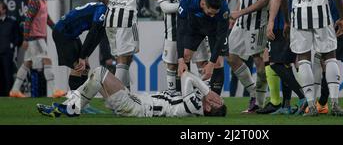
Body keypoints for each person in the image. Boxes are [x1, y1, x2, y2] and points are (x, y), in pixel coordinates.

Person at [37, 68, 226, 118]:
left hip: (135, 108)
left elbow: (186, 77)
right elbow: (193, 78)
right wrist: (206, 90)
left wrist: (206, 91)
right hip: (134, 102)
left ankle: (72, 107)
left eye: (218, 101)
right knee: (95, 76)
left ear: (211, 107)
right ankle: (71, 106)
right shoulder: (197, 101)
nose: (218, 97)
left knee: (100, 73)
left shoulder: (194, 106)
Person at [259, 0, 307, 115]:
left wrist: (271, 22)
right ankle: (286, 105)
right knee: (287, 63)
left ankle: (304, 98)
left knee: (276, 64)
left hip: (283, 21)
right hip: (299, 18)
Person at [227, 0, 272, 113]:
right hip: (242, 21)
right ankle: (254, 93)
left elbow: (265, 0)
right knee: (231, 56)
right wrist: (236, 15)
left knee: (259, 63)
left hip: (257, 22)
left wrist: (241, 12)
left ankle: (259, 102)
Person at [155, 0, 209, 93]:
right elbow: (165, 7)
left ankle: (203, 98)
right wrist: (188, 5)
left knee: (202, 63)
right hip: (173, 29)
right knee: (172, 65)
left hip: (197, 29)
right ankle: (172, 97)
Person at [9, 0, 65, 98]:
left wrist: (57, 29)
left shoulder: (41, 1)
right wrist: (25, 38)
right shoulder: (35, 1)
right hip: (36, 38)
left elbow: (47, 19)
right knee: (47, 60)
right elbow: (28, 19)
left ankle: (14, 90)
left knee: (27, 63)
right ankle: (54, 90)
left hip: (36, 38)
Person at [176, 0, 230, 96]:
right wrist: (180, 60)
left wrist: (211, 63)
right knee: (185, 56)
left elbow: (221, 36)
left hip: (215, 28)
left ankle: (215, 102)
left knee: (218, 62)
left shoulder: (223, 6)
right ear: (203, 4)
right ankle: (184, 98)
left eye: (215, 13)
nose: (213, 15)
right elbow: (181, 31)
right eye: (210, 13)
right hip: (195, 25)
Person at [52, 2, 107, 91]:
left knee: (85, 68)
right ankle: (74, 101)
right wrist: (82, 57)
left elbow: (98, 37)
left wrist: (86, 56)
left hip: (72, 34)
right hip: (62, 32)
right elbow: (92, 34)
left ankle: (81, 101)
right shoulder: (103, 10)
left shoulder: (105, 10)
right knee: (78, 67)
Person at [0, 2, 20, 96]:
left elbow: (18, 37)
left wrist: (12, 45)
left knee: (8, 74)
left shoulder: (12, 22)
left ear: (4, 10)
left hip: (7, 53)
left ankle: (9, 94)